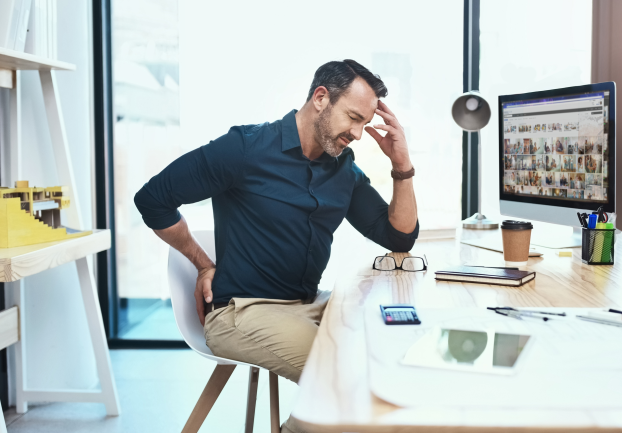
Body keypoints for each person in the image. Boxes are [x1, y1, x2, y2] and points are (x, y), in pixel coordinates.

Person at [134, 60, 418, 433]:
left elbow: (399, 237)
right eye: (353, 118)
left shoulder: (342, 169)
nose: (359, 134)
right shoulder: (245, 149)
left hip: (307, 303)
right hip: (242, 311)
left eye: (365, 123)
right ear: (321, 98)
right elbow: (153, 199)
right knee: (344, 377)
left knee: (390, 343)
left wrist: (402, 165)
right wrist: (203, 263)